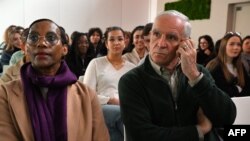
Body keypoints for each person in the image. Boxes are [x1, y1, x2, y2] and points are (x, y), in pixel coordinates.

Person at [118, 10, 236, 141]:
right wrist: (198, 130)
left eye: (171, 37)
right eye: (156, 34)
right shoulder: (131, 80)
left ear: (186, 43)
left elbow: (227, 118)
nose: (160, 44)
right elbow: (142, 135)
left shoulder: (198, 73)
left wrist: (194, 77)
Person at [0, 18, 109, 141]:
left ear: (64, 49)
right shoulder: (5, 93)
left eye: (51, 38)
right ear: (26, 48)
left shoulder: (87, 96)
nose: (41, 43)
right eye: (33, 38)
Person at [83, 26, 136, 141]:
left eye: (120, 39)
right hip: (101, 106)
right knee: (122, 114)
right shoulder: (96, 63)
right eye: (112, 39)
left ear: (125, 43)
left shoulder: (132, 68)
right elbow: (87, 94)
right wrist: (110, 100)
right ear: (106, 44)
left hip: (125, 107)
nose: (116, 42)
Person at [206, 32, 250, 97]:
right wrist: (237, 89)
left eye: (238, 45)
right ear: (224, 46)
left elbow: (248, 87)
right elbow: (219, 91)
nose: (236, 47)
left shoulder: (240, 65)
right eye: (231, 44)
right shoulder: (214, 65)